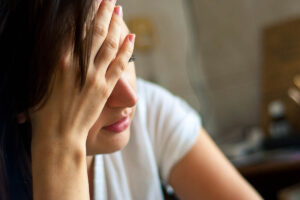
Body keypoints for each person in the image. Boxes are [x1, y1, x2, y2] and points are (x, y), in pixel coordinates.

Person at [0, 0, 262, 199]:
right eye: (91, 77)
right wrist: (60, 145)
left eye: (128, 59)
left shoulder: (150, 110)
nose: (129, 97)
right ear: (20, 100)